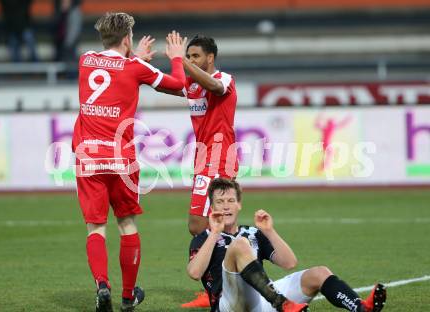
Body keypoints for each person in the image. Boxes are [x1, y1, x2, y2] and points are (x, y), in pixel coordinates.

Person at [72, 12, 187, 312]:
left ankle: (101, 284)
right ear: (127, 38)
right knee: (126, 224)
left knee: (95, 228)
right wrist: (175, 57)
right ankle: (127, 296)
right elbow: (178, 85)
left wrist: (132, 57)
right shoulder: (136, 67)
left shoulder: (85, 61)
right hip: (121, 160)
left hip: (88, 156)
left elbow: (110, 71)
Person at [187, 178, 387, 312]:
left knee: (319, 273)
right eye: (220, 202)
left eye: (231, 200)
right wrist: (214, 233)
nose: (226, 206)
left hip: (261, 300)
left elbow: (289, 262)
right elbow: (195, 273)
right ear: (212, 208)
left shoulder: (253, 232)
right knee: (239, 245)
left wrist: (269, 231)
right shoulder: (204, 237)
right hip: (230, 305)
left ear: (239, 204)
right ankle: (282, 303)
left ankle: (361, 307)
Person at [157, 35, 238, 308]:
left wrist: (181, 61)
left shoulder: (224, 79)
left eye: (195, 56)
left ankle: (220, 287)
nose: (191, 61)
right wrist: (137, 64)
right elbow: (168, 86)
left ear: (210, 58)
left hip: (220, 158)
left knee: (199, 225)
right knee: (214, 226)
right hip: (204, 159)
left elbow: (214, 86)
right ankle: (222, 286)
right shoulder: (191, 84)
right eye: (188, 56)